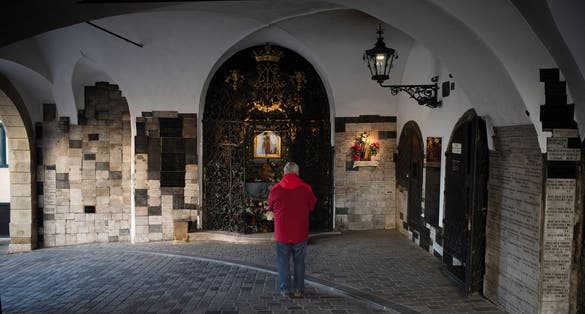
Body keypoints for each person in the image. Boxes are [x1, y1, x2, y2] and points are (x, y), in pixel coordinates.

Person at [268, 162, 317, 298]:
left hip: (282, 232)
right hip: (299, 231)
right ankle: (299, 289)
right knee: (299, 262)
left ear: (284, 173)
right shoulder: (305, 188)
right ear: (297, 173)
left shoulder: (276, 189)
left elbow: (270, 206)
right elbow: (312, 205)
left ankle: (285, 289)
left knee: (283, 262)